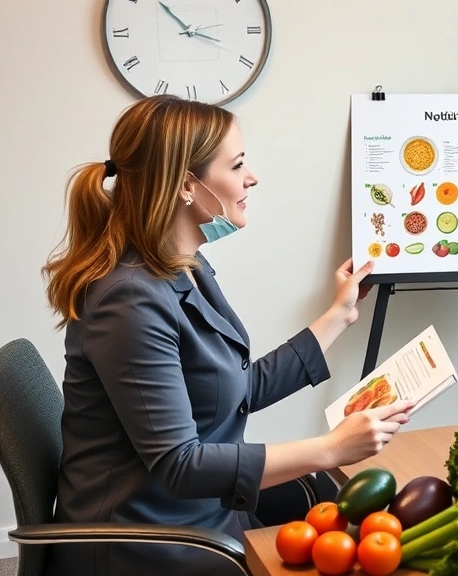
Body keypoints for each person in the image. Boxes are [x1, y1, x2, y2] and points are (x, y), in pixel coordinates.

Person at [40, 94, 413, 575]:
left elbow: (234, 389)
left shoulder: (183, 267)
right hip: (150, 544)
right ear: (185, 185)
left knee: (346, 514)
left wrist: (339, 314)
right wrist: (331, 448)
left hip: (200, 514)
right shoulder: (129, 298)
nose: (251, 177)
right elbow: (180, 464)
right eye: (237, 165)